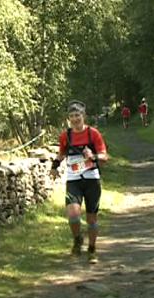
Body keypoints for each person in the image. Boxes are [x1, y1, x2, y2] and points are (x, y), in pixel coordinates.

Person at [50, 100, 109, 264]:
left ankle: (92, 249)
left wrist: (93, 157)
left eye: (77, 115)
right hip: (73, 180)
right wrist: (54, 166)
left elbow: (105, 157)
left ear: (83, 116)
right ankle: (77, 240)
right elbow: (61, 154)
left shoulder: (93, 134)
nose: (75, 119)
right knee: (73, 215)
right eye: (71, 116)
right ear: (68, 118)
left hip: (91, 180)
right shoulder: (65, 136)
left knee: (91, 219)